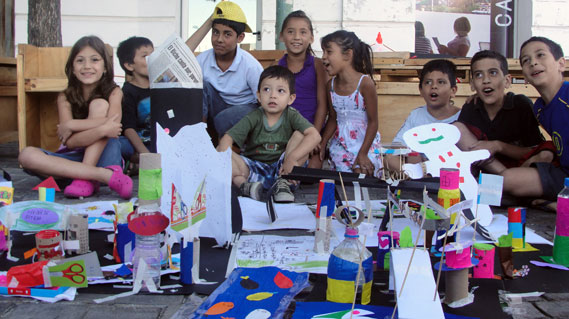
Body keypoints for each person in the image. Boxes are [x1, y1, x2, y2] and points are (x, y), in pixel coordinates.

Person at [18, 36, 133, 199]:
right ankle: (99, 176)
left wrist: (72, 124)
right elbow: (70, 142)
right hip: (71, 162)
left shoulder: (114, 91)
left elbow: (113, 124)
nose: (87, 66)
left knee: (99, 104)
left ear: (105, 67)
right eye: (80, 61)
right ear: (72, 67)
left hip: (105, 156)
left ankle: (84, 179)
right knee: (27, 155)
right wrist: (101, 129)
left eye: (94, 60)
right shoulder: (65, 97)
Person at [217, 65, 321, 202]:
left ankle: (284, 185)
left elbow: (315, 135)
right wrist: (224, 160)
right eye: (266, 90)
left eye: (280, 91)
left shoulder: (292, 115)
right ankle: (245, 187)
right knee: (221, 150)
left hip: (284, 169)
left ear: (291, 98)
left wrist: (292, 159)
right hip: (254, 170)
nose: (273, 95)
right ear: (259, 96)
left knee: (301, 135)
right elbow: (227, 139)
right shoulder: (254, 116)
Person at [454, 50, 554, 175]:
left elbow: (532, 151)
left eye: (493, 73)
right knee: (456, 129)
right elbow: (465, 146)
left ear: (507, 80)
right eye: (479, 75)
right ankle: (504, 177)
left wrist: (498, 146)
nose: (486, 80)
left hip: (519, 168)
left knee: (546, 153)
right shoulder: (471, 106)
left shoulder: (520, 104)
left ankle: (507, 178)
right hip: (485, 169)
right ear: (473, 84)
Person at [501, 37, 569, 210]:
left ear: (561, 64)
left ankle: (558, 205)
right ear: (524, 75)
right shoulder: (539, 108)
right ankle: (560, 203)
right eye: (526, 60)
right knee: (507, 179)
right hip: (564, 176)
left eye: (540, 55)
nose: (533, 63)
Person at [185, 1, 263, 138]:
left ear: (240, 38)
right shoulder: (203, 59)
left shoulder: (250, 65)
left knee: (224, 118)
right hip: (216, 108)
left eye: (227, 34)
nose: (219, 39)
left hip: (245, 110)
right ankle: (199, 138)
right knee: (199, 87)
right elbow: (181, 58)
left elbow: (263, 101)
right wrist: (211, 20)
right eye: (215, 32)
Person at [319, 30, 382, 177]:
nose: (323, 57)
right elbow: (333, 119)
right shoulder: (331, 86)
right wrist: (322, 144)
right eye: (323, 52)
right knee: (344, 178)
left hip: (366, 144)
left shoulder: (365, 84)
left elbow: (373, 122)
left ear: (347, 55)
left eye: (328, 52)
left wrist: (363, 153)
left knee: (362, 173)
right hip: (342, 144)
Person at [385, 59, 461, 174]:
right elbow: (396, 147)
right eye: (428, 82)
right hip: (421, 171)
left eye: (441, 82)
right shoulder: (416, 116)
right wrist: (411, 154)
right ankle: (419, 182)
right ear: (420, 90)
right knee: (390, 158)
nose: (434, 87)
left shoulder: (462, 117)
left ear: (453, 90)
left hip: (451, 174)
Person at [278, 10, 328, 168]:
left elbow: (323, 104)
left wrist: (316, 135)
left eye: (303, 32)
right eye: (290, 32)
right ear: (281, 36)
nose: (296, 37)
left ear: (311, 38)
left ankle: (285, 173)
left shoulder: (318, 65)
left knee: (311, 172)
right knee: (294, 167)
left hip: (311, 130)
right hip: (284, 132)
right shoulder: (277, 67)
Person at [116, 36, 154, 169]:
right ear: (129, 65)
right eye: (145, 56)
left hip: (160, 141)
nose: (151, 60)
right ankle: (137, 161)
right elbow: (128, 128)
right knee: (118, 144)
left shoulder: (161, 86)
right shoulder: (127, 91)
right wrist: (144, 153)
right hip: (137, 143)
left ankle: (136, 164)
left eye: (153, 55)